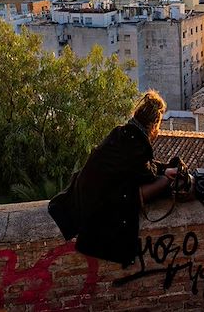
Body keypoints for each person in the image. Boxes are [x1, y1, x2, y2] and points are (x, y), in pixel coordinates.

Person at [48, 90, 176, 266]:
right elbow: (147, 175)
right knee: (164, 182)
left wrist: (160, 168)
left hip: (86, 193)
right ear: (154, 124)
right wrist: (165, 175)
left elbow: (139, 166)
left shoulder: (120, 133)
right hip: (106, 200)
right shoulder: (137, 144)